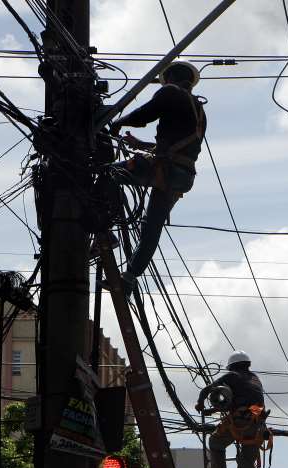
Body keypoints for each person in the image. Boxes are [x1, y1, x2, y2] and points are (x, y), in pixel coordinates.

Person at [108, 60, 207, 295]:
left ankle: (106, 226)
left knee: (109, 173)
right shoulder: (199, 110)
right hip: (183, 176)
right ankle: (129, 279)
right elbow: (178, 145)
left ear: (170, 77)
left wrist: (117, 122)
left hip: (166, 168)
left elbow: (147, 113)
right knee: (151, 228)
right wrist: (140, 144)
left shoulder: (170, 92)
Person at [195, 350, 268, 468]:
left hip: (241, 421)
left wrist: (200, 403)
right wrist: (213, 410)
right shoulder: (255, 378)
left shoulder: (233, 376)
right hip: (257, 424)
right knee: (246, 465)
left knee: (215, 443)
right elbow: (242, 402)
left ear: (232, 366)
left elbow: (206, 390)